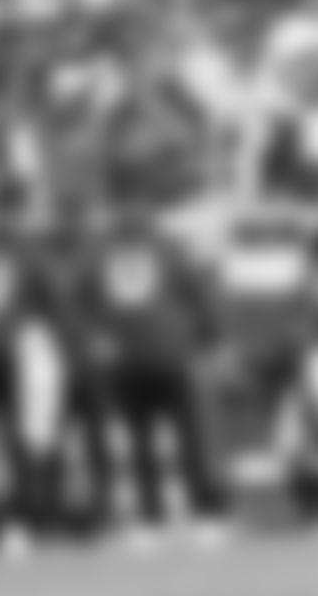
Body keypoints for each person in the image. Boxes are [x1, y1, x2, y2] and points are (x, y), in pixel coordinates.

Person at [81, 215, 228, 551]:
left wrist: (211, 339)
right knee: (176, 439)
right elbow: (200, 293)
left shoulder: (103, 251)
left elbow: (198, 293)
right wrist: (212, 338)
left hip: (155, 357)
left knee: (169, 440)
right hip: (154, 357)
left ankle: (176, 516)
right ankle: (185, 516)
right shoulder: (165, 249)